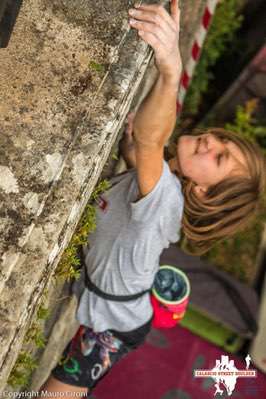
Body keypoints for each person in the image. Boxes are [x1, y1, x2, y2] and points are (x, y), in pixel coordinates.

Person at [39, 0, 265, 397]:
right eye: (224, 141)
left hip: (113, 328)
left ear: (204, 192)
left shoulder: (166, 200)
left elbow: (150, 139)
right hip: (113, 310)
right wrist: (131, 153)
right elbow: (144, 153)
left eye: (220, 157)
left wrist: (170, 69)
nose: (213, 141)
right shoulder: (165, 188)